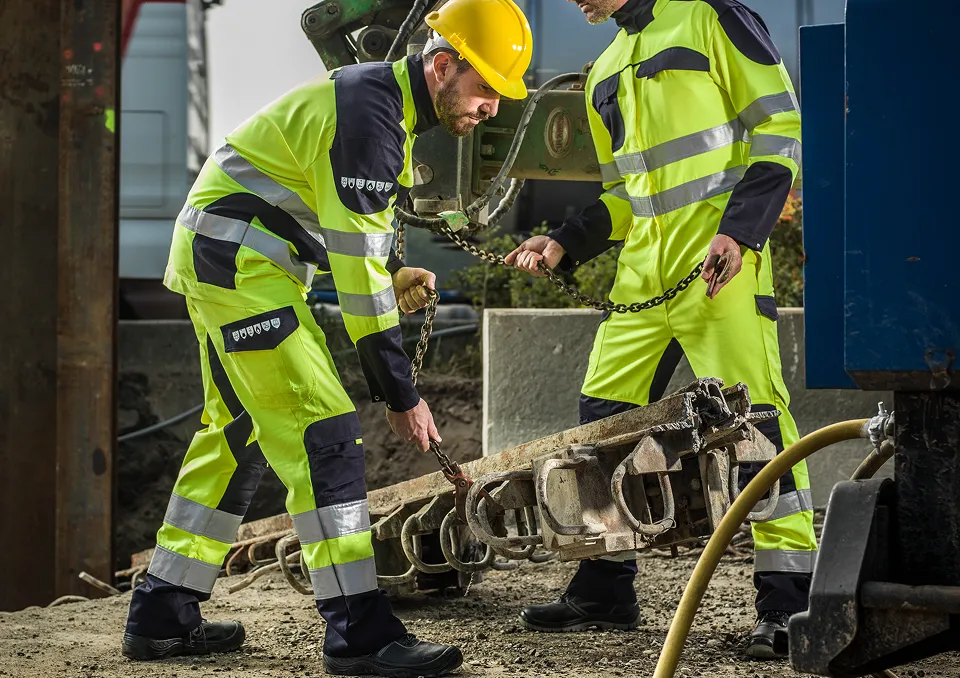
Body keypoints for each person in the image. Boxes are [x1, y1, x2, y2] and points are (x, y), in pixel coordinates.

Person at [120, 0, 532, 675]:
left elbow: (351, 242)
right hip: (240, 269)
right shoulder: (372, 117)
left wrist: (392, 273)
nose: (491, 108)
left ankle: (162, 611)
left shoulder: (379, 106)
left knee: (238, 434)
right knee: (326, 433)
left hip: (224, 261)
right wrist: (401, 395)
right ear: (443, 65)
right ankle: (360, 635)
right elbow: (359, 287)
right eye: (486, 88)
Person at [504, 0, 811, 659]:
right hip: (643, 278)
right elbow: (626, 194)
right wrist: (564, 242)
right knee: (601, 423)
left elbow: (780, 127)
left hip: (721, 264)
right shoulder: (604, 70)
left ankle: (790, 605)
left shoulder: (712, 15)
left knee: (755, 425)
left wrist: (742, 231)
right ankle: (604, 589)